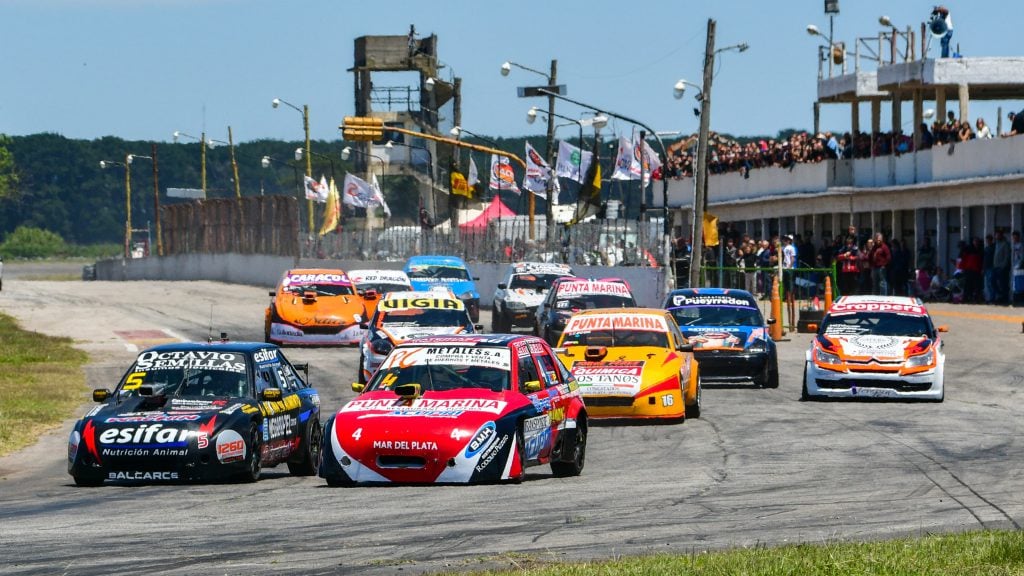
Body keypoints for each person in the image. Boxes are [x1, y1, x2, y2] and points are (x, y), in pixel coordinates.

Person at [781, 235, 797, 331]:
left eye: (786, 240)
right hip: (784, 267)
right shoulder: (783, 248)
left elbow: (792, 258)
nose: (785, 241)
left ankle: (790, 296)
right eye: (784, 239)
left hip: (789, 268)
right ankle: (786, 296)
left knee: (790, 284)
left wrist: (789, 266)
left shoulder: (791, 248)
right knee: (785, 284)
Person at [993, 230, 1011, 304]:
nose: (996, 237)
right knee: (993, 282)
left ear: (1001, 236)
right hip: (995, 267)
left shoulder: (1005, 244)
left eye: (998, 235)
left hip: (1002, 268)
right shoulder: (996, 244)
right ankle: (1000, 295)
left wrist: (1003, 266)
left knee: (1003, 283)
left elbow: (1007, 256)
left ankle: (1004, 298)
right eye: (996, 235)